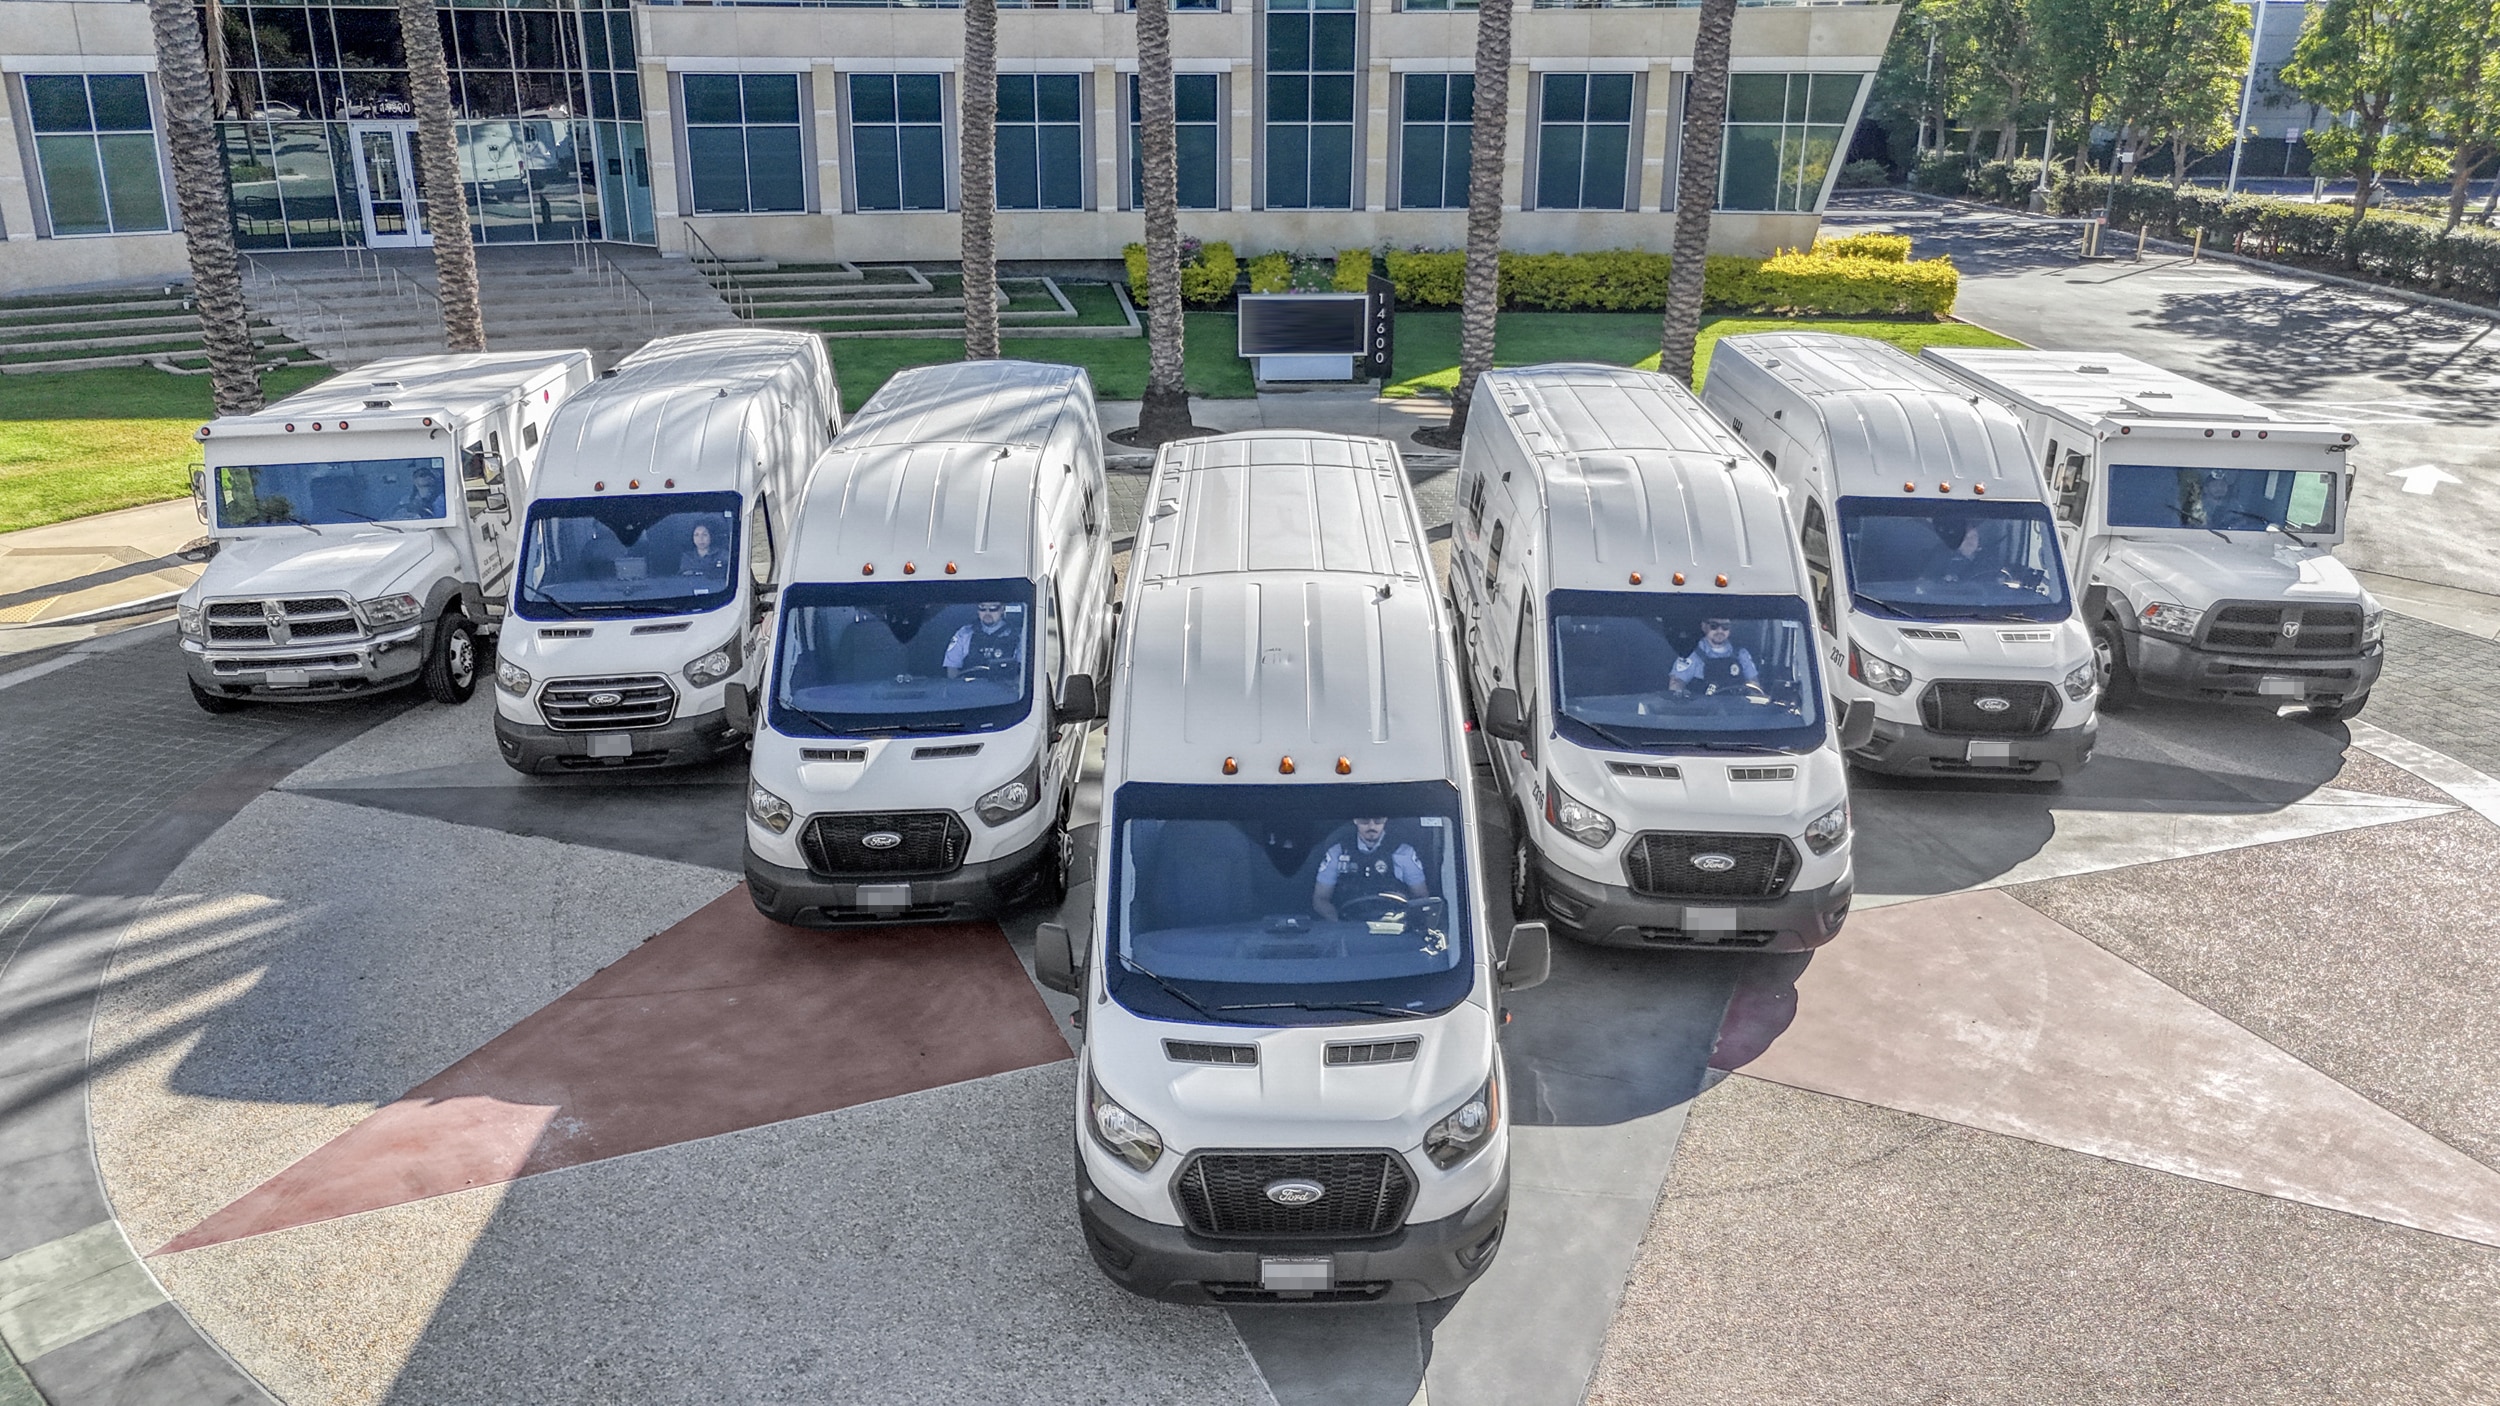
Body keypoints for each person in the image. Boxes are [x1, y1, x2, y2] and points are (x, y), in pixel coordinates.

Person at [1313, 817, 1428, 922]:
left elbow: (1421, 898)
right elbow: (1320, 899)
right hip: (1349, 930)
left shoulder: (1405, 853)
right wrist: (1339, 923)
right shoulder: (1337, 853)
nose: (1372, 826)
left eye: (1378, 820)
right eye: (1364, 820)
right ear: (1355, 820)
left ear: (1385, 819)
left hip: (1394, 930)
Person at [1670, 618, 1760, 696]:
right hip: (1702, 713)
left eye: (1725, 626)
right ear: (1704, 626)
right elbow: (1676, 685)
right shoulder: (1690, 654)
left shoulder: (1741, 654)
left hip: (1736, 713)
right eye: (1714, 626)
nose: (1720, 631)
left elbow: (1754, 685)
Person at [943, 600, 1024, 681]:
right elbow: (952, 670)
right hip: (970, 690)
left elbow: (1022, 674)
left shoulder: (1017, 637)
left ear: (1002, 609)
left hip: (1004, 690)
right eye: (982, 608)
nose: (987, 613)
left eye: (993, 608)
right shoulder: (964, 634)